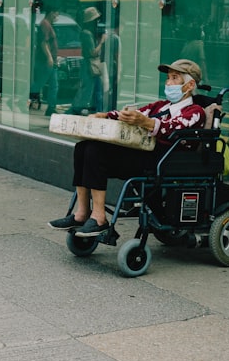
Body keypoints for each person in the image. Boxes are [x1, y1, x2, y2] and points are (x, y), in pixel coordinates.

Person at [48, 59, 206, 237]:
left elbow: (171, 128)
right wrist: (107, 115)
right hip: (144, 155)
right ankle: (82, 213)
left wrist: (145, 122)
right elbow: (137, 114)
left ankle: (99, 218)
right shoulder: (161, 106)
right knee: (83, 147)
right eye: (168, 78)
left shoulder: (195, 111)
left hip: (163, 160)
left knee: (96, 151)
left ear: (190, 84)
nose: (168, 83)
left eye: (174, 78)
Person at [33, 7, 59, 115]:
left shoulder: (48, 25)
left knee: (54, 84)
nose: (56, 17)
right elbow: (43, 43)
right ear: (50, 12)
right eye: (55, 15)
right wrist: (49, 57)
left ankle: (51, 108)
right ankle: (20, 100)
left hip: (50, 60)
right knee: (39, 84)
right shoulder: (45, 24)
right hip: (45, 61)